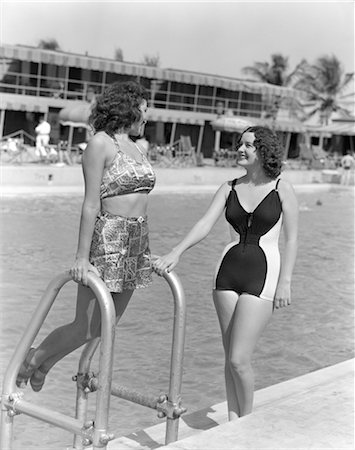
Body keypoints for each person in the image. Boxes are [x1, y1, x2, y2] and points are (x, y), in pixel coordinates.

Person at [16, 81, 156, 391]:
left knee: (105, 325)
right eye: (144, 110)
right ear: (128, 109)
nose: (148, 116)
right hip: (109, 240)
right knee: (86, 325)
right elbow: (91, 202)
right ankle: (32, 359)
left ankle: (43, 363)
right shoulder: (100, 144)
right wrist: (81, 257)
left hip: (136, 242)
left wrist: (147, 251)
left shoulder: (138, 146)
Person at [154, 126, 298, 420]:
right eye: (239, 144)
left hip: (264, 275)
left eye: (247, 145)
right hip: (226, 275)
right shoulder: (228, 187)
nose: (239, 150)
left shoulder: (282, 187)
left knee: (239, 359)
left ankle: (247, 423)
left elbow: (292, 239)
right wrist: (176, 252)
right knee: (229, 357)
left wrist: (286, 282)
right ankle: (233, 421)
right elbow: (204, 224)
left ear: (263, 151)